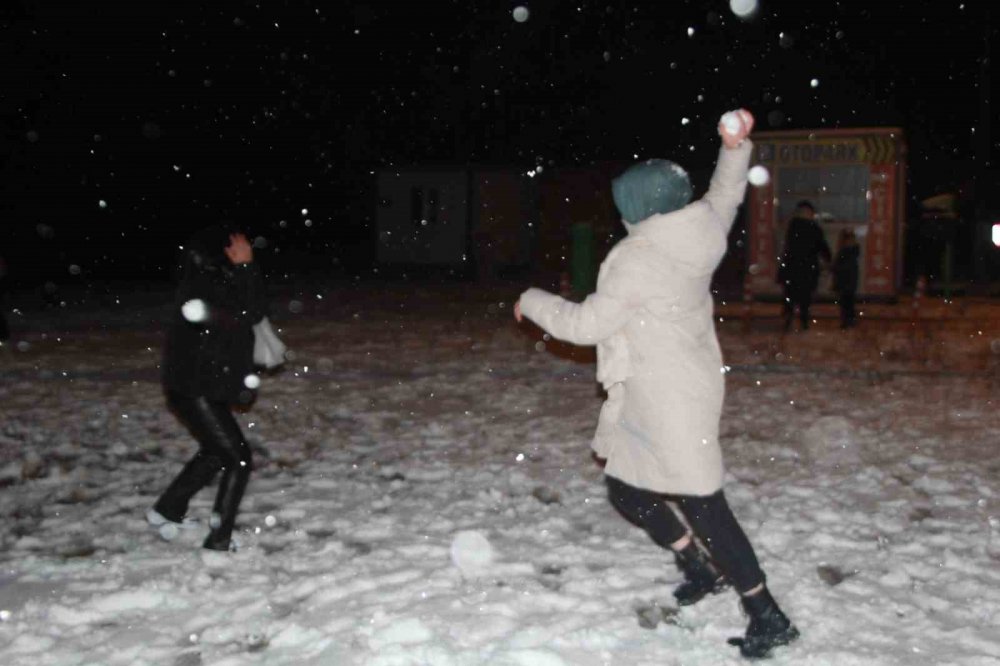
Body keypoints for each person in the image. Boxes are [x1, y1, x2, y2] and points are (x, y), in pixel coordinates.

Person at [514, 110, 798, 659]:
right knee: (626, 486)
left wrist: (531, 301)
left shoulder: (637, 258)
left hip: (670, 399)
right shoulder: (703, 229)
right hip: (661, 386)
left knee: (704, 504)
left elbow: (586, 326)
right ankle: (695, 564)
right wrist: (735, 147)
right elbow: (726, 192)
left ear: (639, 208)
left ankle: (767, 612)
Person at [148, 224, 267, 551]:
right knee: (238, 459)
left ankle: (167, 511)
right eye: (233, 247)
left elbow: (250, 310)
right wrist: (245, 266)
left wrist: (245, 270)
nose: (240, 250)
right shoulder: (204, 285)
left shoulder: (210, 281)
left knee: (218, 451)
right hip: (193, 388)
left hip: (197, 385)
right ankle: (218, 541)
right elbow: (247, 312)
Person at [778, 201, 831, 331]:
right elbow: (822, 246)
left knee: (790, 295)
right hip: (807, 268)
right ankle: (803, 321)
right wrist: (828, 258)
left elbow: (788, 247)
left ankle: (789, 318)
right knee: (805, 297)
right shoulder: (814, 228)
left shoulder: (793, 226)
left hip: (793, 267)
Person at [832, 228, 860, 328]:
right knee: (848, 302)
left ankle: (847, 320)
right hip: (848, 281)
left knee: (845, 302)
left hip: (844, 281)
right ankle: (849, 320)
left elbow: (838, 267)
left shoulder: (845, 252)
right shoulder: (852, 252)